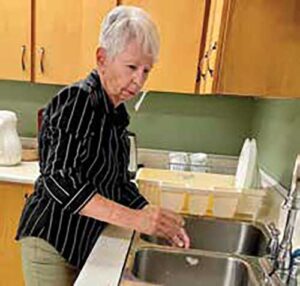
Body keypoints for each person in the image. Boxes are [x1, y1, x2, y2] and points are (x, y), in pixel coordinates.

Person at [16, 5, 190, 286]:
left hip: (81, 243)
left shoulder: (115, 113)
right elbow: (60, 182)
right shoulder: (77, 102)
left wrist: (151, 215)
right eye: (132, 67)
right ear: (102, 58)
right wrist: (136, 219)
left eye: (147, 70)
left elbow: (118, 184)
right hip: (51, 243)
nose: (139, 80)